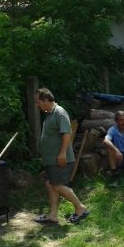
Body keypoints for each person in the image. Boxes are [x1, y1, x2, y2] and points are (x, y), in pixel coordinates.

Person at [33, 88, 89, 225]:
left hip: (60, 158)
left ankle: (80, 208)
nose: (37, 105)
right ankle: (52, 216)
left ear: (45, 100)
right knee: (50, 184)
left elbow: (67, 134)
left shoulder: (59, 112)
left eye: (37, 101)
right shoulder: (49, 114)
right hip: (52, 159)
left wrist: (63, 153)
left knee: (56, 185)